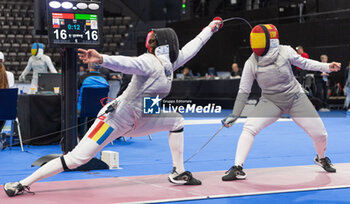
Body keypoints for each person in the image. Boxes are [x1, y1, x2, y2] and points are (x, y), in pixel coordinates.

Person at [3, 19, 223, 197]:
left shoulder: (170, 65)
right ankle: (22, 183)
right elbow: (127, 63)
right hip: (114, 120)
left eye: (153, 41)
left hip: (143, 117)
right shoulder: (148, 61)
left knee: (176, 120)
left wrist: (210, 29)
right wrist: (102, 59)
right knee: (77, 159)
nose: (150, 45)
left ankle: (178, 172)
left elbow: (193, 47)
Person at [221, 24, 341, 181]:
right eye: (254, 40)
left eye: (259, 40)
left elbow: (304, 63)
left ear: (271, 40)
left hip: (295, 98)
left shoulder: (285, 51)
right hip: (270, 101)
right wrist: (235, 113)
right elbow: (244, 90)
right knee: (249, 127)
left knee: (320, 133)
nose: (256, 44)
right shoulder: (252, 62)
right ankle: (238, 167)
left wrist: (327, 67)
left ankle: (321, 158)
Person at [77, 63, 109, 139]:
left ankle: (82, 136)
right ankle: (96, 135)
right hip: (100, 110)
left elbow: (77, 90)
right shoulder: (104, 78)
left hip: (83, 109)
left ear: (88, 66)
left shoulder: (83, 77)